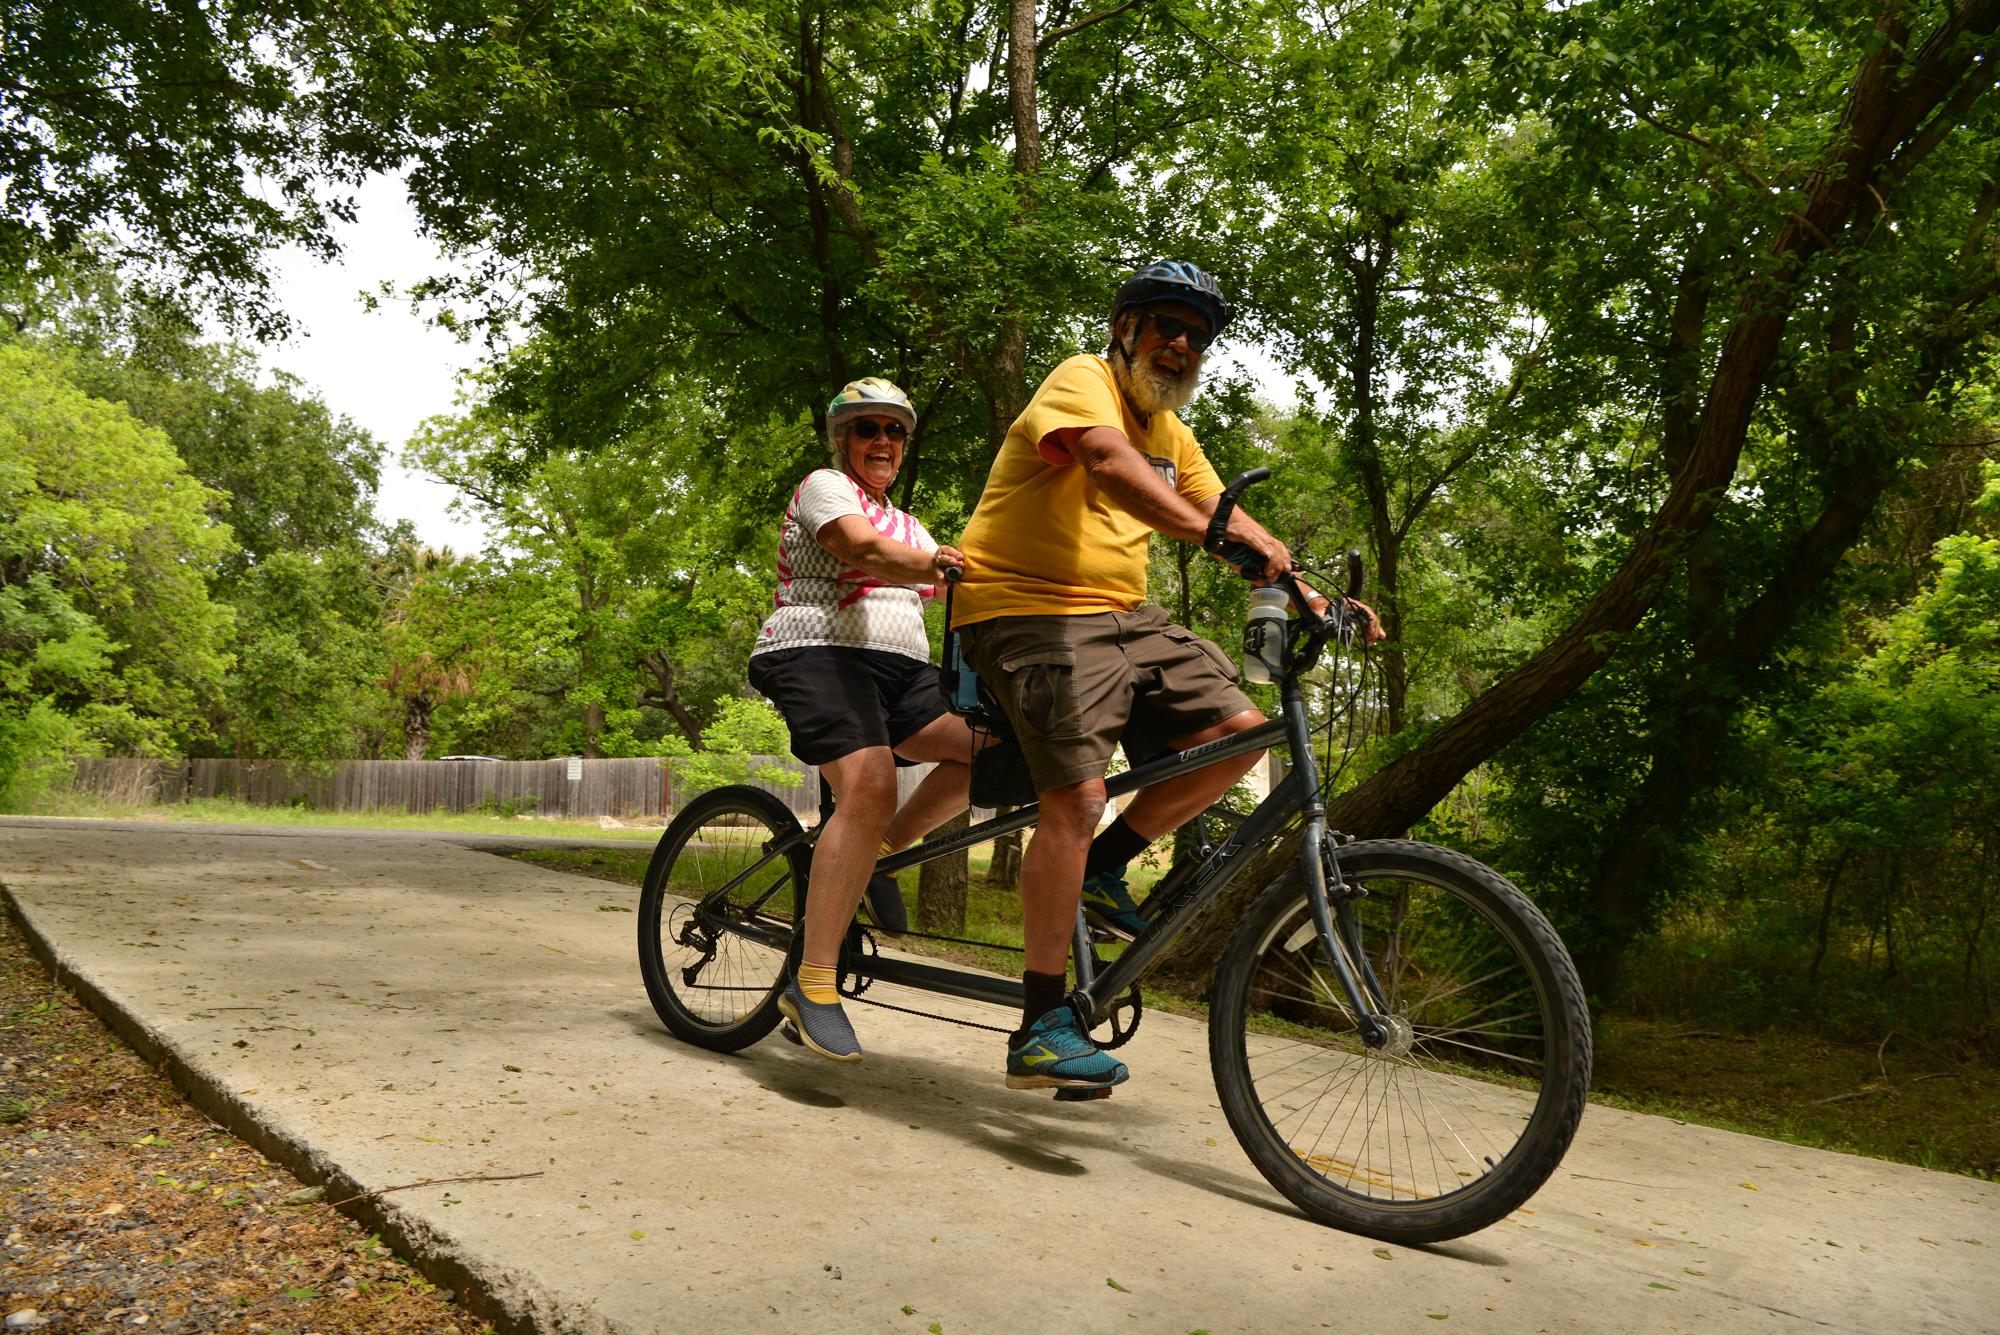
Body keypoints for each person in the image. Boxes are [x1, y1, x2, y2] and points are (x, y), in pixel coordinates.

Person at [952, 261, 1382, 1094]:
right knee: (1074, 798)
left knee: (1238, 739)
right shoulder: (1084, 382)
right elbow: (1106, 464)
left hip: (1122, 615)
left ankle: (1101, 869)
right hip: (1024, 610)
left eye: (1197, 336)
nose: (1180, 345)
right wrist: (1225, 543)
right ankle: (1041, 1024)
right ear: (1126, 329)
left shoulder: (1172, 433)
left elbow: (1228, 519)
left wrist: (1314, 596)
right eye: (1164, 327)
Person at [748, 377, 981, 1063]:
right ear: (842, 439)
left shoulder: (912, 524)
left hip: (900, 671)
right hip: (818, 649)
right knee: (872, 781)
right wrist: (936, 564)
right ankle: (813, 984)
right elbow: (860, 549)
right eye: (867, 429)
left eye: (894, 431)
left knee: (1003, 749)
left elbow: (956, 582)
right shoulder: (826, 486)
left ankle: (881, 853)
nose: (882, 441)